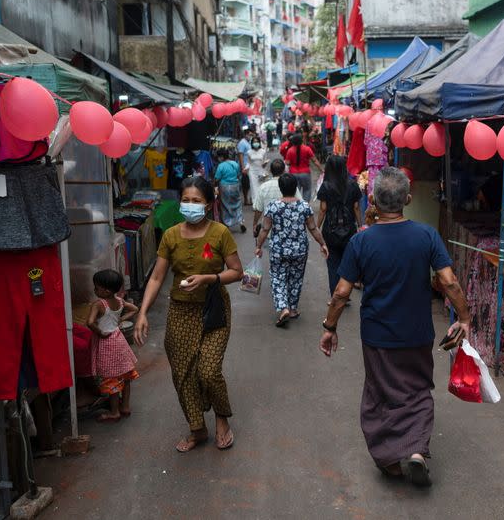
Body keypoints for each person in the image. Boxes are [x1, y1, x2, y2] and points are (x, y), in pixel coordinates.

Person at [318, 167, 470, 487]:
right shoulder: (427, 235)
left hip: (377, 335)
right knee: (417, 391)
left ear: (372, 199)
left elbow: (341, 292)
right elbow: (450, 282)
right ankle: (416, 450)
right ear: (408, 199)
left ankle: (389, 458)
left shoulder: (361, 242)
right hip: (416, 332)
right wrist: (464, 318)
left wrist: (329, 327)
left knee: (380, 393)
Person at [134, 177, 243, 452]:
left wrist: (209, 278)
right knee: (182, 373)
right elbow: (158, 277)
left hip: (213, 309)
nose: (190, 205)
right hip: (180, 311)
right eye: (186, 200)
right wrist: (142, 313)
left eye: (196, 201)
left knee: (208, 371)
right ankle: (197, 428)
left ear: (208, 204)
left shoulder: (220, 233)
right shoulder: (170, 235)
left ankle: (221, 419)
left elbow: (237, 272)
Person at [255, 173, 328, 326]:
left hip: (278, 250)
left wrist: (258, 246)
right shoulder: (304, 206)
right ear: (296, 188)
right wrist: (323, 244)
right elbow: (313, 228)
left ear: (281, 188)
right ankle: (293, 309)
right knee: (296, 278)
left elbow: (265, 229)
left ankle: (283, 308)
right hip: (299, 249)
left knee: (277, 277)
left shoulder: (273, 206)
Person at [87, 269, 140, 423]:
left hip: (107, 343)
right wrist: (121, 319)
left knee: (111, 379)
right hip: (119, 340)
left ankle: (114, 412)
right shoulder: (119, 301)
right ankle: (125, 406)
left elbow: (89, 322)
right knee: (125, 375)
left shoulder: (99, 304)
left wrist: (100, 332)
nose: (94, 290)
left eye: (96, 287)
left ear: (106, 290)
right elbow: (135, 309)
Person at [317, 155, 362, 300]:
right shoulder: (353, 184)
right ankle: (345, 294)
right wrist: (360, 225)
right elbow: (356, 207)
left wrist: (317, 227)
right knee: (347, 263)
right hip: (349, 229)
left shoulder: (326, 186)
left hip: (330, 230)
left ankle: (335, 296)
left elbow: (323, 209)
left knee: (333, 264)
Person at [252, 159, 301, 237]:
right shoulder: (291, 185)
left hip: (268, 232)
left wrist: (255, 224)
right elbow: (299, 203)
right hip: (289, 231)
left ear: (270, 171)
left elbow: (258, 209)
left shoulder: (263, 187)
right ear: (284, 170)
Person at [213, 148, 246, 233]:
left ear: (221, 157)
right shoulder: (235, 163)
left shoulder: (221, 166)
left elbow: (217, 178)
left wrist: (214, 185)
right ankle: (240, 222)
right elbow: (239, 175)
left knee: (225, 205)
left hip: (224, 187)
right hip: (235, 185)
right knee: (238, 203)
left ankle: (227, 224)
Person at [284, 134, 322, 200]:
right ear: (302, 141)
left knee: (296, 192)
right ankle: (305, 206)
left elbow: (287, 163)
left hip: (293, 174)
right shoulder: (307, 149)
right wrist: (321, 169)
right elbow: (315, 160)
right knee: (307, 190)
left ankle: (297, 206)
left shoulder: (290, 150)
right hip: (305, 173)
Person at [247, 136, 268, 205]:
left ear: (259, 143)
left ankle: (261, 203)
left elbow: (264, 162)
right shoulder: (249, 152)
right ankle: (255, 203)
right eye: (254, 142)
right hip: (252, 172)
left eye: (257, 142)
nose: (255, 143)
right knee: (253, 188)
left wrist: (265, 165)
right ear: (252, 143)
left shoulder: (263, 151)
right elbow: (248, 163)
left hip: (261, 171)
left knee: (261, 187)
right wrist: (246, 169)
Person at [237, 130, 253, 206]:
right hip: (245, 166)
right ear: (246, 134)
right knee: (245, 184)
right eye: (249, 134)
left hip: (249, 166)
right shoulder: (242, 143)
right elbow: (240, 155)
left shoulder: (248, 142)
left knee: (248, 183)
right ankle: (246, 199)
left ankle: (249, 199)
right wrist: (242, 167)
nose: (250, 136)